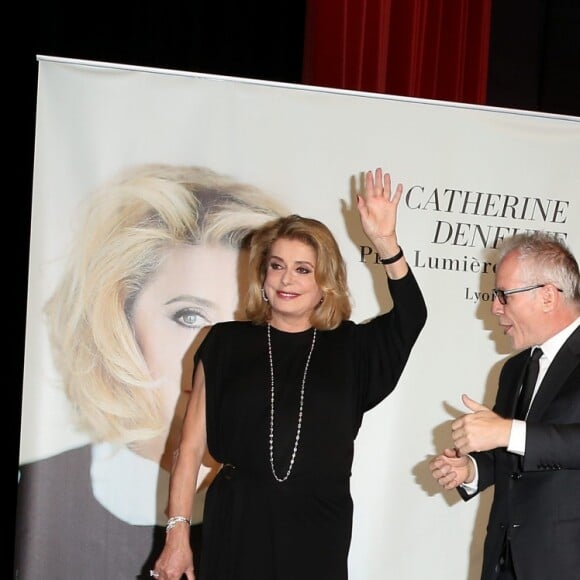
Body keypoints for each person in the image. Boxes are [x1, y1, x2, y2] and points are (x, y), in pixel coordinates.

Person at [151, 167, 427, 580]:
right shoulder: (225, 342)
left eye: (302, 269)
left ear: (325, 282)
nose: (286, 279)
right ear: (262, 276)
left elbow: (411, 316)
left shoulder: (352, 348)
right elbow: (189, 448)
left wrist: (386, 243)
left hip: (319, 529)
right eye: (277, 266)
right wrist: (177, 535)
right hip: (237, 524)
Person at [14, 163, 287, 579]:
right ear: (119, 325)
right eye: (190, 316)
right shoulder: (35, 493)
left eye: (245, 323)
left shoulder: (290, 496)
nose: (218, 352)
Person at [429, 232, 580, 580]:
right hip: (505, 563)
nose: (494, 307)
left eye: (503, 295)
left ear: (546, 296)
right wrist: (471, 470)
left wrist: (506, 430)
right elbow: (512, 455)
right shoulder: (515, 369)